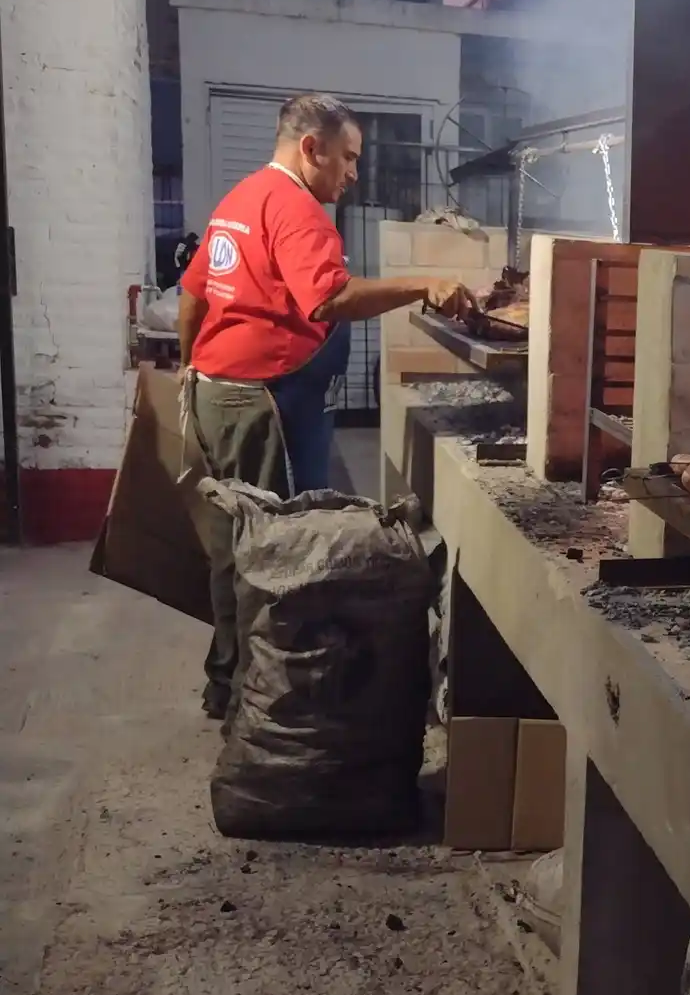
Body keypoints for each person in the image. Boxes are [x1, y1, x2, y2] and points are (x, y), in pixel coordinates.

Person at [177, 92, 475, 721]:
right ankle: (264, 705)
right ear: (311, 148)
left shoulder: (242, 199)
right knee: (274, 553)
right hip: (262, 401)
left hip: (215, 392)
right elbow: (328, 298)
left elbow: (194, 297)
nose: (354, 173)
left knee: (234, 544)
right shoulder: (296, 207)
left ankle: (225, 680)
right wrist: (424, 284)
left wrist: (192, 367)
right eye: (349, 157)